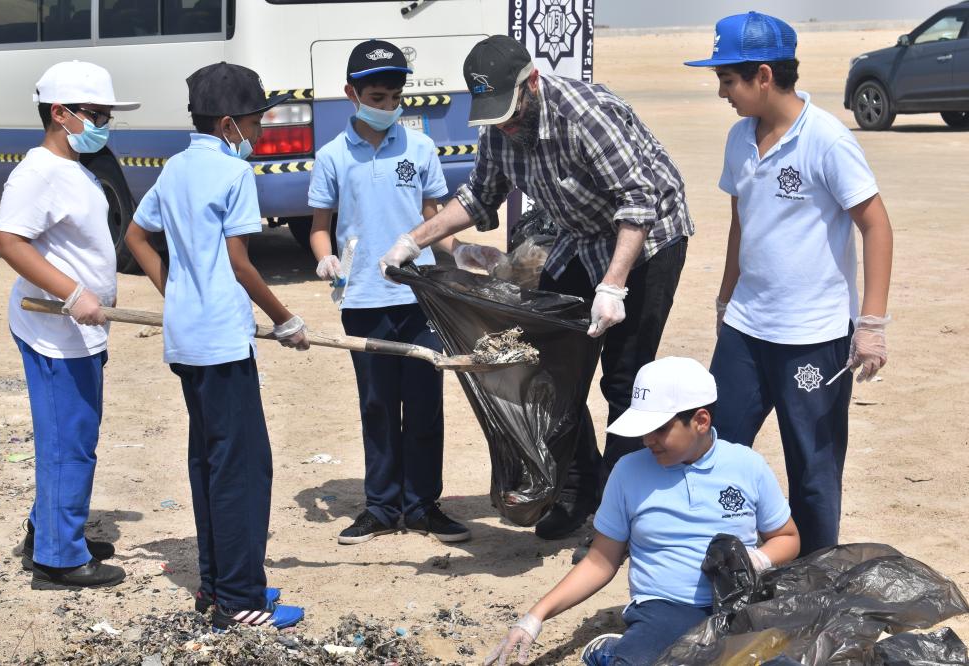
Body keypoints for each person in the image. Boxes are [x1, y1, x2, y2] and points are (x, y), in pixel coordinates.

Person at [380, 35, 695, 550]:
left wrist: (613, 286)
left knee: (622, 377)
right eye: (493, 116)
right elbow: (480, 195)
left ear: (531, 83)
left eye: (508, 111)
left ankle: (620, 511)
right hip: (577, 237)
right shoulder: (500, 129)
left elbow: (639, 202)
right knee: (549, 367)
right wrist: (411, 241)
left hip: (648, 239)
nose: (503, 124)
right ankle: (577, 487)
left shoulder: (586, 114)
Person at [685, 12, 893, 556]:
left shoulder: (825, 139)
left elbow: (876, 224)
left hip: (815, 337)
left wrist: (871, 324)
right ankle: (721, 560)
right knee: (713, 448)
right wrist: (725, 298)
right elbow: (742, 222)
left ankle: (815, 580)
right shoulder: (739, 138)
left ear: (762, 76)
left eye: (727, 80)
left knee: (813, 470)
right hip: (747, 330)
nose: (723, 92)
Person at [124, 62, 307, 629]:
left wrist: (175, 289)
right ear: (228, 123)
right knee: (244, 468)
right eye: (254, 122)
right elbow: (238, 262)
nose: (258, 132)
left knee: (209, 461)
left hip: (186, 338)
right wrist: (286, 319)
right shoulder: (233, 175)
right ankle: (241, 599)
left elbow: (135, 235)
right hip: (223, 343)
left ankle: (215, 585)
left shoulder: (175, 167)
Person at [484, 357, 800, 666]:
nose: (647, 439)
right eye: (643, 428)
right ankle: (613, 652)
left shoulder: (747, 465)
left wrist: (757, 559)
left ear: (701, 421)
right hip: (664, 608)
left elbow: (786, 537)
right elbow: (600, 560)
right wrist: (535, 616)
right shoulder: (628, 472)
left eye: (659, 429)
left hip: (737, 604)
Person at [308, 40, 470, 545]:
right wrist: (324, 257)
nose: (386, 107)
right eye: (376, 97)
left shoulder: (419, 149)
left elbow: (435, 217)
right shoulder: (332, 156)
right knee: (377, 404)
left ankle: (423, 505)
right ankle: (380, 506)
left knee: (424, 402)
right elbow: (320, 225)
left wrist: (462, 257)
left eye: (394, 97)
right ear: (351, 94)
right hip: (362, 300)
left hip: (419, 298)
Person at [0, 61, 137, 590]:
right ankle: (56, 558)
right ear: (60, 113)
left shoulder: (76, 166)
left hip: (81, 330)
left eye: (105, 116)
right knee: (67, 442)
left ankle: (51, 530)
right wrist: (73, 293)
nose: (102, 124)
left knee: (75, 435)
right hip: (53, 332)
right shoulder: (37, 172)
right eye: (95, 114)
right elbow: (9, 241)